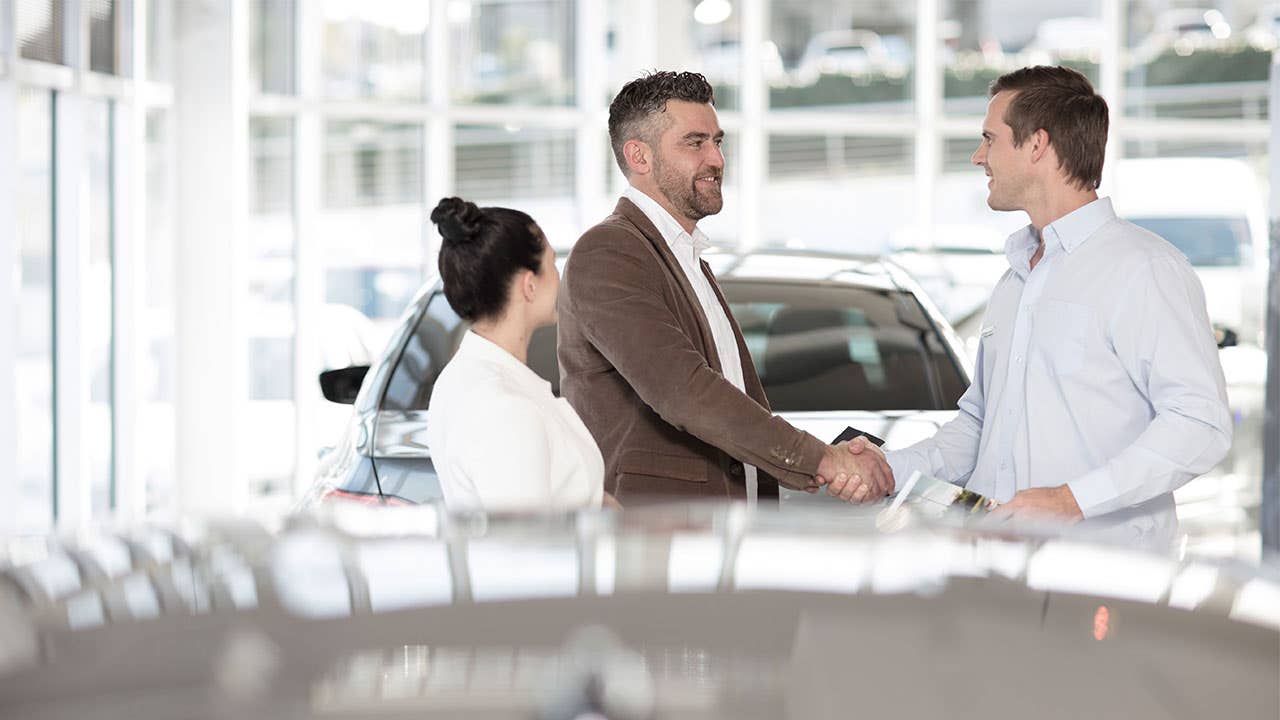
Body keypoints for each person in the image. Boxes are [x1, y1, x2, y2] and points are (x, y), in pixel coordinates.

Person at [831, 66, 1232, 550]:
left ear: (1037, 145)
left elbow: (1200, 425)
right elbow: (980, 424)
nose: (979, 157)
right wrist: (888, 468)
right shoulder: (1015, 279)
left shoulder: (1145, 269)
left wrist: (1071, 501)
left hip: (1102, 573)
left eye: (989, 139)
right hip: (994, 567)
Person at [556, 71, 891, 505]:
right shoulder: (609, 252)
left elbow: (728, 397)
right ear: (639, 156)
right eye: (694, 143)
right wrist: (824, 460)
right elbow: (683, 390)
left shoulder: (684, 257)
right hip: (659, 536)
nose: (716, 159)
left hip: (725, 532)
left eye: (718, 141)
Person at [425, 197, 613, 513]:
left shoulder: (475, 377)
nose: (559, 277)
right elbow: (526, 550)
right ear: (529, 285)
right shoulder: (501, 404)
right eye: (553, 264)